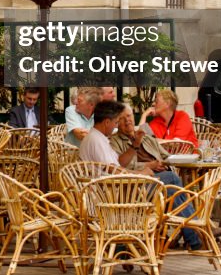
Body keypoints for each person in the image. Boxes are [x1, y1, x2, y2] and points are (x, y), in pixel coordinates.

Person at [79, 101, 203, 251]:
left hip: (116, 190)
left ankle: (195, 237)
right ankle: (197, 231)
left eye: (128, 117)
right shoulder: (98, 141)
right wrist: (142, 173)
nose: (117, 125)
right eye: (116, 122)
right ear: (106, 122)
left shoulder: (97, 138)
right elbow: (115, 171)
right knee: (171, 179)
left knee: (170, 188)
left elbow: (114, 170)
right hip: (117, 194)